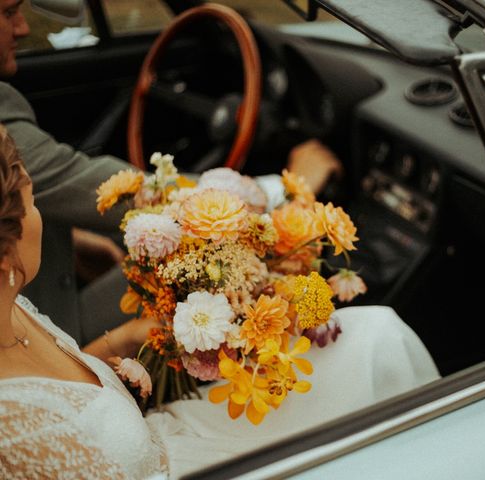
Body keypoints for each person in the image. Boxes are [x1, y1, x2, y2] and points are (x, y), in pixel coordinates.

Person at [0, 125, 440, 478]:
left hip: (161, 439)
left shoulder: (11, 305)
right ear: (5, 258)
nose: (44, 218)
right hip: (184, 462)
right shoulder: (10, 432)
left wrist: (134, 337)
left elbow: (68, 382)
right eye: (34, 204)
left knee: (376, 336)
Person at [0, 0, 343, 346]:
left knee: (200, 263)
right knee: (224, 262)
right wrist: (284, 189)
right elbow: (77, 180)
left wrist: (71, 243)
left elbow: (40, 189)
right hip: (40, 327)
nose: (24, 27)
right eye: (8, 12)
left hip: (28, 289)